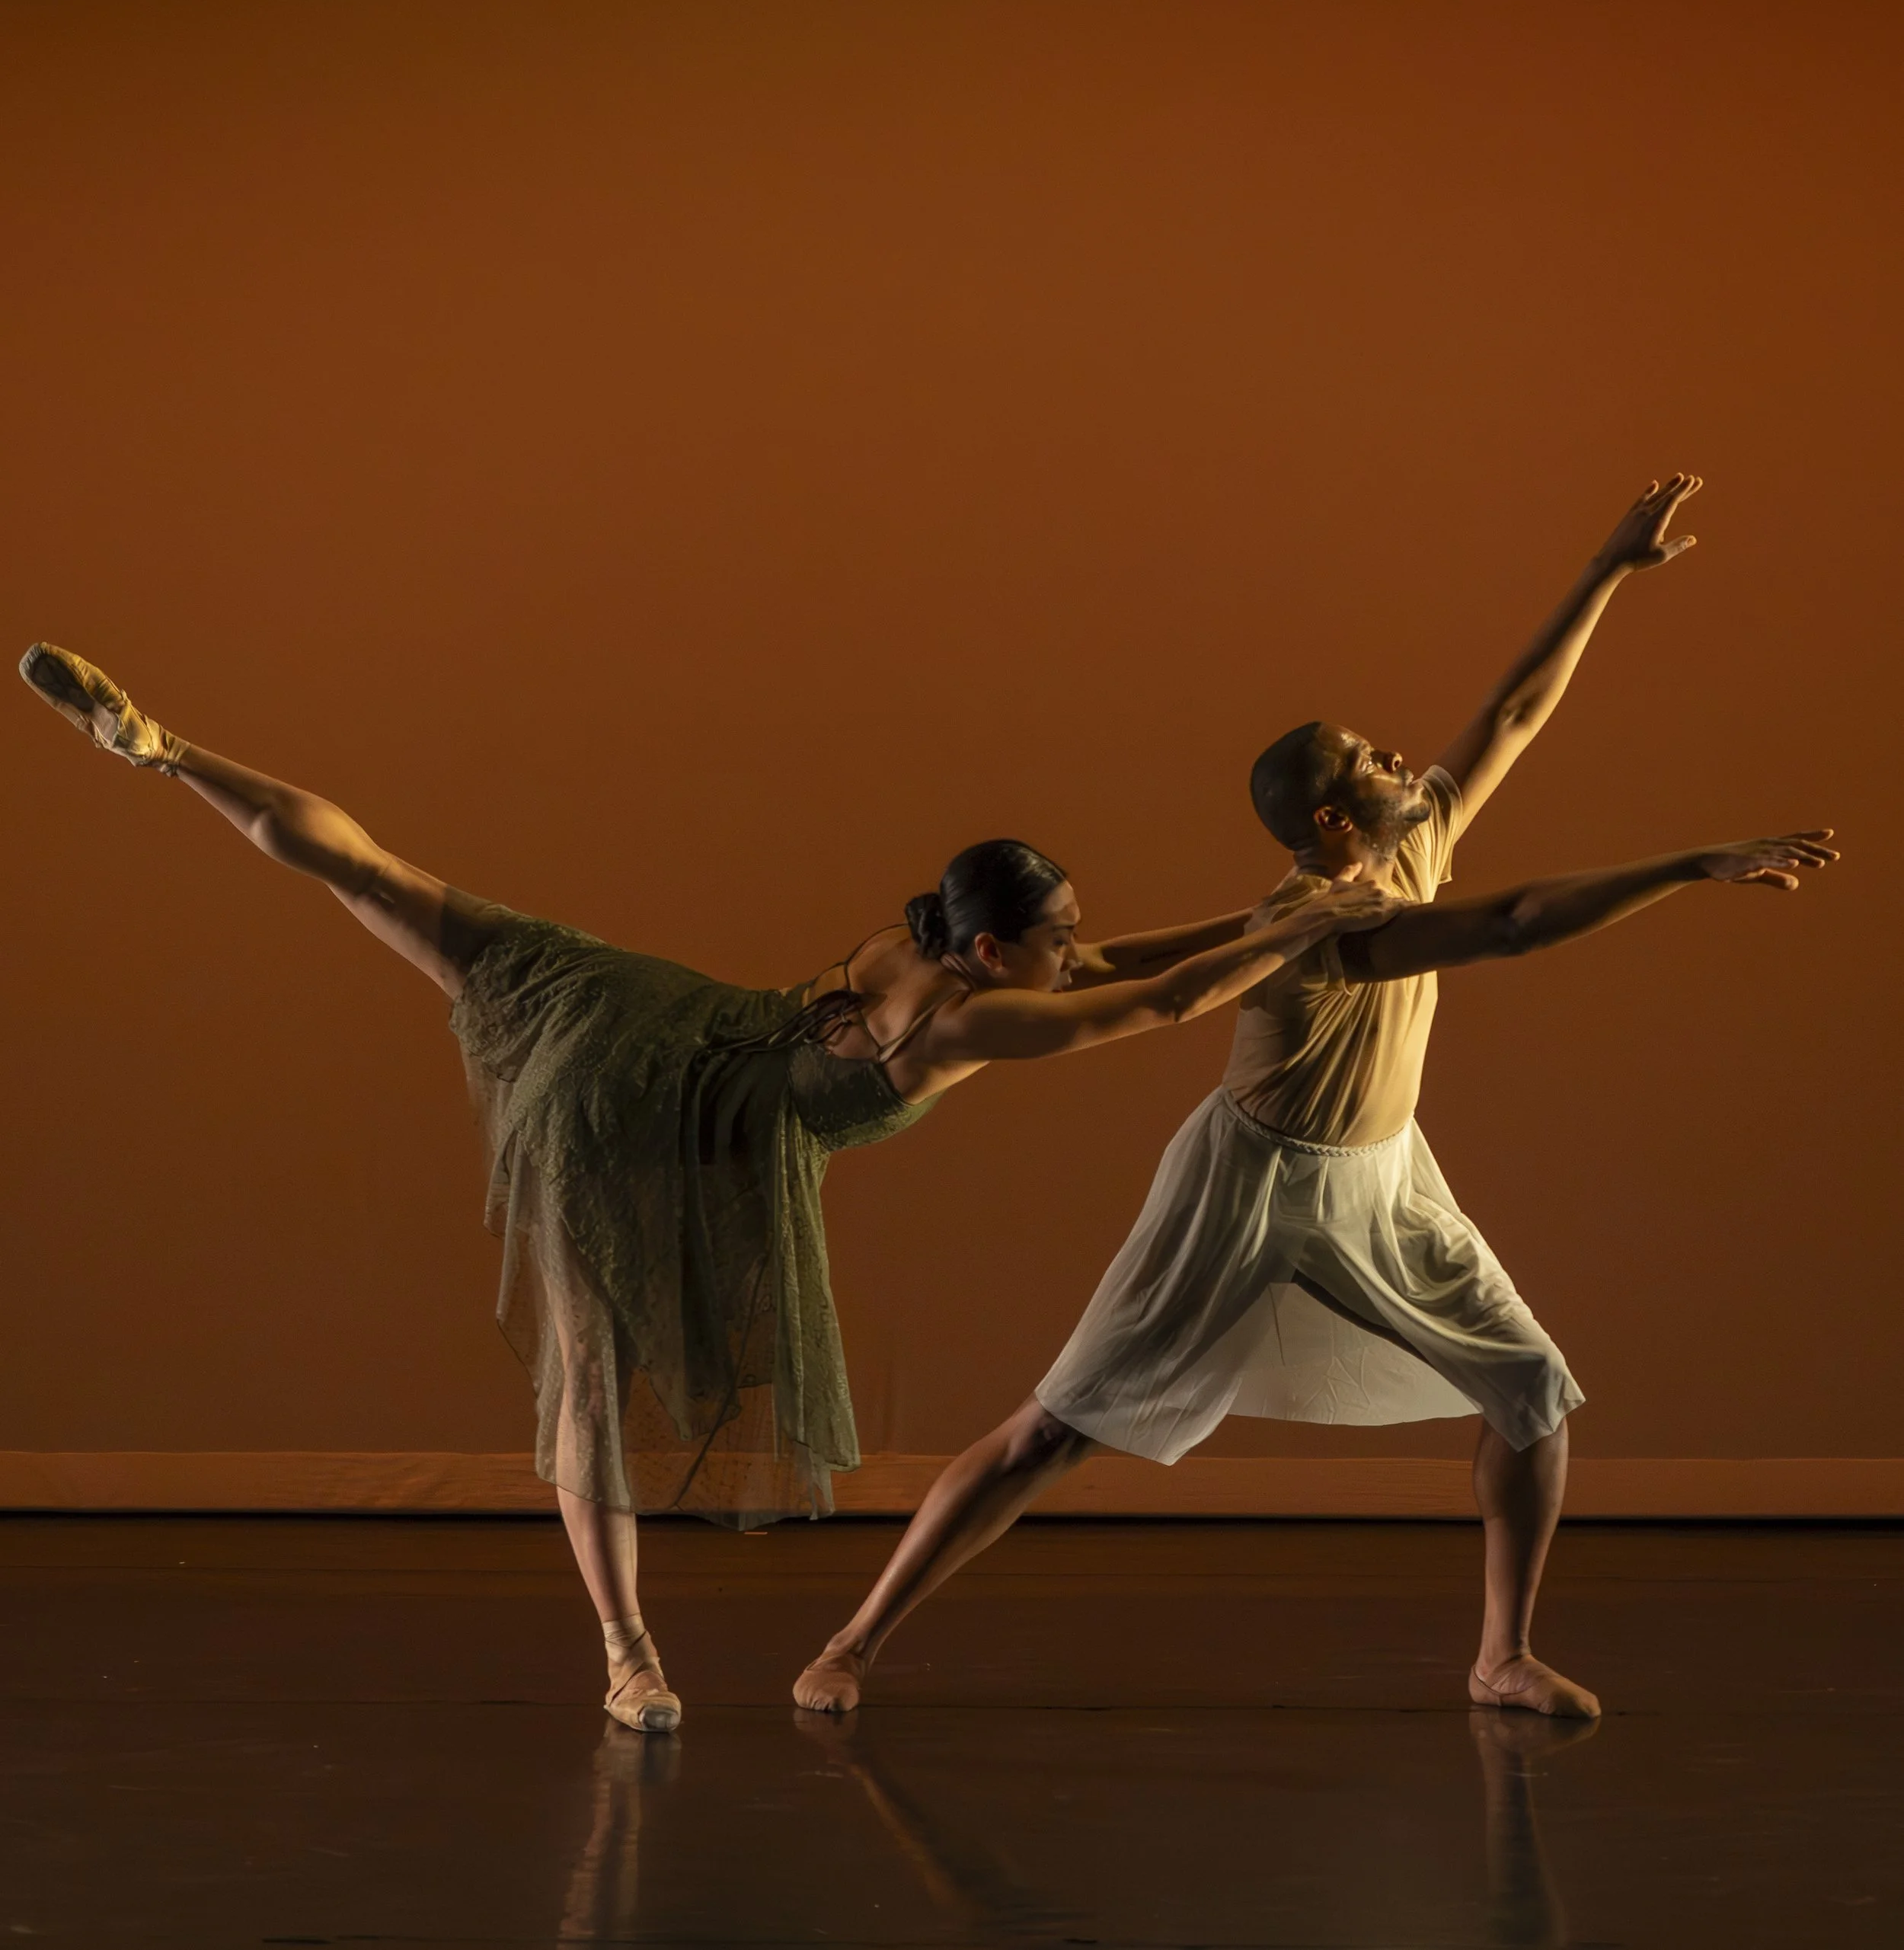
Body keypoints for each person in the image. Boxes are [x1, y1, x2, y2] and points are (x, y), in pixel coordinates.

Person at [18, 643, 1393, 1735]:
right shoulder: (967, 1026)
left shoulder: (915, 943)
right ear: (990, 952)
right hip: (634, 1129)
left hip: (629, 1012)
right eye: (1061, 936)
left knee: (377, 876)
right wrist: (1305, 926)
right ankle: (627, 1661)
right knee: (589, 1384)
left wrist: (1276, 913)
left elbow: (1128, 963)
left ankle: (163, 749)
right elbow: (1163, 1002)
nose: (1080, 949)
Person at [794, 476, 1836, 1721]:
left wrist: (1607, 572)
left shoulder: (1407, 842)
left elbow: (1511, 712)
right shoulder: (1319, 922)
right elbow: (1510, 925)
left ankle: (1500, 1657)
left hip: (1385, 1178)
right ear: (1334, 817)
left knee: (1531, 1394)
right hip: (1252, 1184)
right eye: (1371, 760)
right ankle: (850, 1644)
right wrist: (1691, 862)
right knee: (1055, 1431)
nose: (1403, 758)